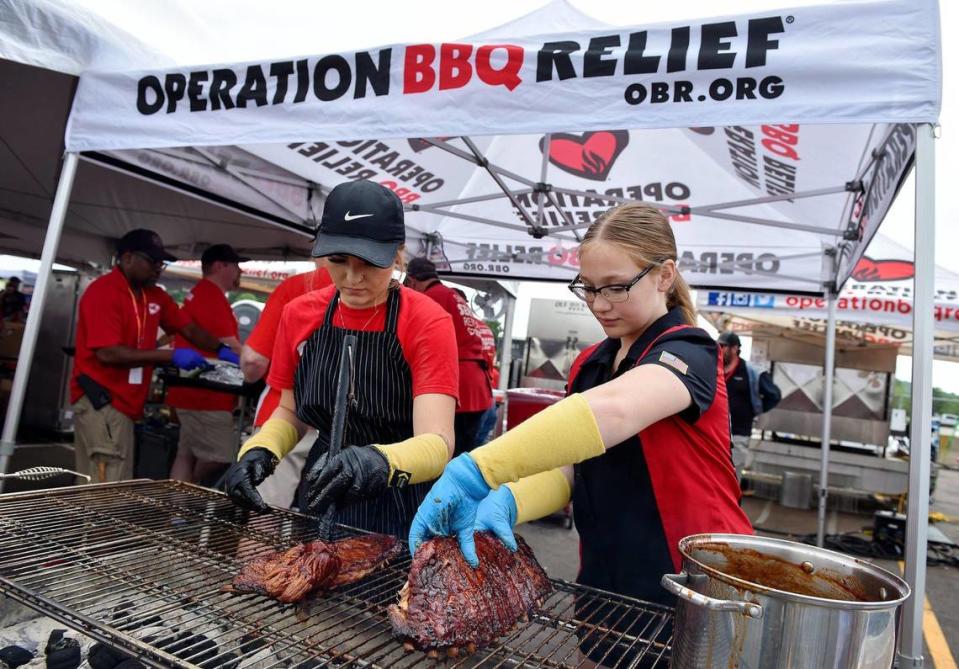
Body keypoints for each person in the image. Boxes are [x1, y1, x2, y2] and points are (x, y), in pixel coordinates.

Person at [407, 203, 753, 666]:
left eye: (615, 286)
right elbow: (575, 468)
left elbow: (616, 411)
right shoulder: (591, 362)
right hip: (607, 583)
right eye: (588, 288)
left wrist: (478, 469)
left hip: (695, 586)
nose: (599, 304)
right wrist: (511, 500)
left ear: (665, 276)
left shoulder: (690, 350)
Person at [223, 180, 459, 537]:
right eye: (337, 260)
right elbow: (289, 412)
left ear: (398, 254)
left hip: (401, 499)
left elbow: (438, 443)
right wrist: (262, 449)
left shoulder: (427, 321)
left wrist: (378, 461)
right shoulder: (299, 314)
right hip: (321, 489)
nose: (352, 278)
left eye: (368, 262)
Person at [71, 229, 232, 483]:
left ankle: (101, 522)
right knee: (106, 482)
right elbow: (108, 353)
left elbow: (188, 328)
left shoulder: (154, 295)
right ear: (127, 258)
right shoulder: (104, 292)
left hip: (124, 402)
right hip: (102, 400)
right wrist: (170, 356)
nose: (159, 268)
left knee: (114, 476)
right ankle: (95, 524)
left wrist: (222, 350)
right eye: (152, 261)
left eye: (162, 262)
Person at [239, 262, 333, 507]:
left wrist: (250, 378)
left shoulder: (295, 287)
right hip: (342, 431)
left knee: (265, 511)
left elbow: (253, 360)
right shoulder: (385, 292)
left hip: (283, 413)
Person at [166, 244, 246, 484]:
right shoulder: (210, 295)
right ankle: (193, 497)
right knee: (222, 457)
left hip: (192, 390)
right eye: (236, 266)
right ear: (220, 266)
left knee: (186, 454)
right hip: (206, 394)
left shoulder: (201, 293)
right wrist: (258, 362)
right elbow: (229, 343)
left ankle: (177, 512)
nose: (239, 272)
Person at [404, 258, 493, 454]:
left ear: (412, 281)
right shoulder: (452, 295)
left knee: (441, 457)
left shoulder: (432, 297)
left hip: (460, 386)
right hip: (477, 388)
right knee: (463, 455)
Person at [717, 330, 782, 479]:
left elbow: (774, 395)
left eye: (723, 346)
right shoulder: (716, 369)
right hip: (716, 434)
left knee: (731, 478)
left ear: (735, 349)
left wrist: (754, 410)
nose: (719, 349)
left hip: (739, 434)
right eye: (718, 345)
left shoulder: (751, 371)